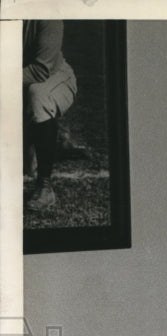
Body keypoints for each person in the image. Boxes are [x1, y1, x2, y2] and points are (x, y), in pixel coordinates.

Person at [23, 19, 77, 211]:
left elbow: (40, 71)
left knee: (39, 95)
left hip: (52, 78)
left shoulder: (46, 12)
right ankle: (43, 136)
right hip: (16, 81)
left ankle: (45, 186)